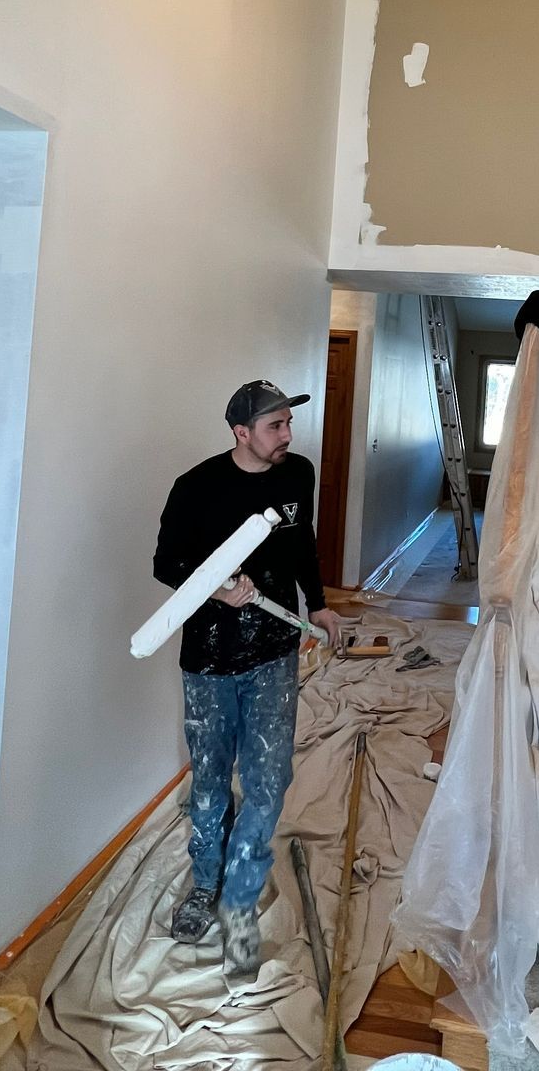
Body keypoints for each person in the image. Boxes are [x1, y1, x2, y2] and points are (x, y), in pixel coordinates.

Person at [152, 379, 343, 975]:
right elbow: (166, 564)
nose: (288, 436)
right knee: (210, 782)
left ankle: (238, 902)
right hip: (209, 656)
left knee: (266, 778)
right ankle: (204, 887)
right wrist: (218, 587)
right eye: (274, 427)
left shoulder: (296, 474)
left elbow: (303, 545)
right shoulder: (197, 487)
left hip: (274, 651)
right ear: (241, 432)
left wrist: (317, 604)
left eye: (289, 424)